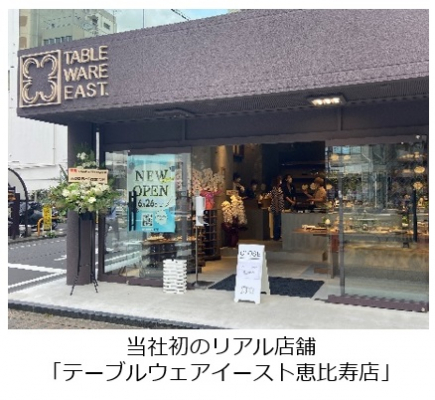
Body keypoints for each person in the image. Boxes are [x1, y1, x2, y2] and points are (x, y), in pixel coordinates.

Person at [269, 176, 284, 241]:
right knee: (277, 223)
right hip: (276, 208)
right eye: (280, 180)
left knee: (279, 222)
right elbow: (275, 200)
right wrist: (277, 209)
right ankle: (276, 237)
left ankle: (278, 236)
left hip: (280, 208)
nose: (281, 181)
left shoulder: (279, 188)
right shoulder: (275, 189)